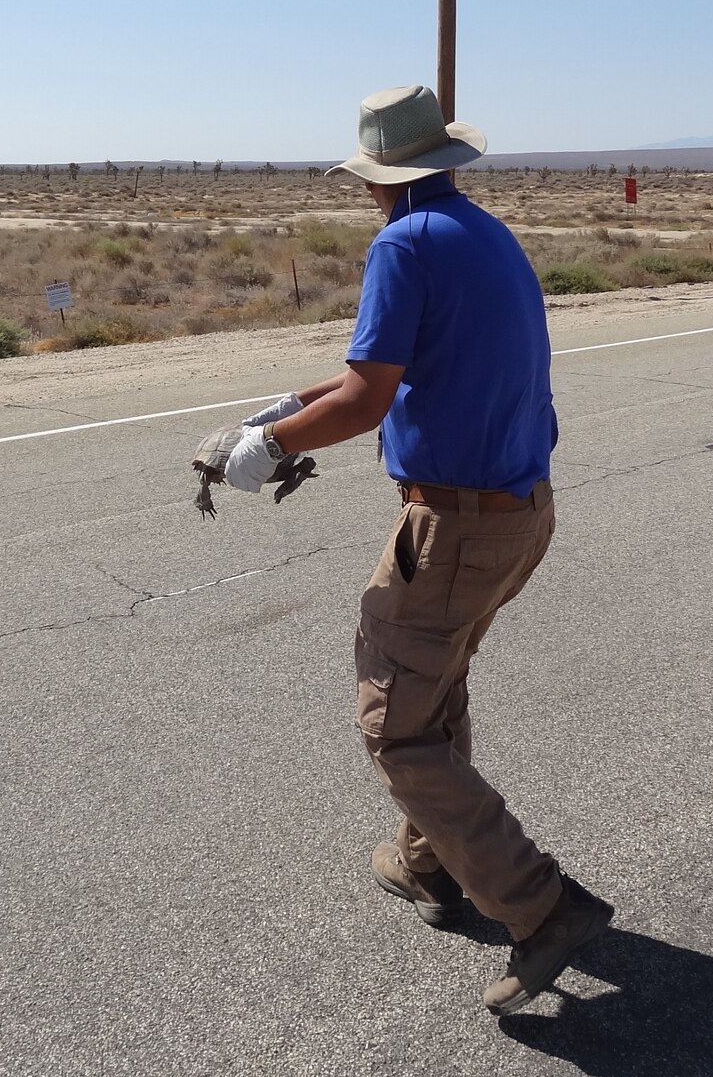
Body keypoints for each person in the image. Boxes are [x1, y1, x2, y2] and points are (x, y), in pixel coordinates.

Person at [215, 83, 613, 1016]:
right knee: (434, 687)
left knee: (394, 723)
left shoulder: (402, 242)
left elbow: (365, 402)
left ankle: (541, 904)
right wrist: (286, 406)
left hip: (458, 523)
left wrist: (271, 448)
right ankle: (428, 864)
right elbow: (379, 372)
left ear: (378, 178)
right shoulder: (482, 233)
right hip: (517, 512)